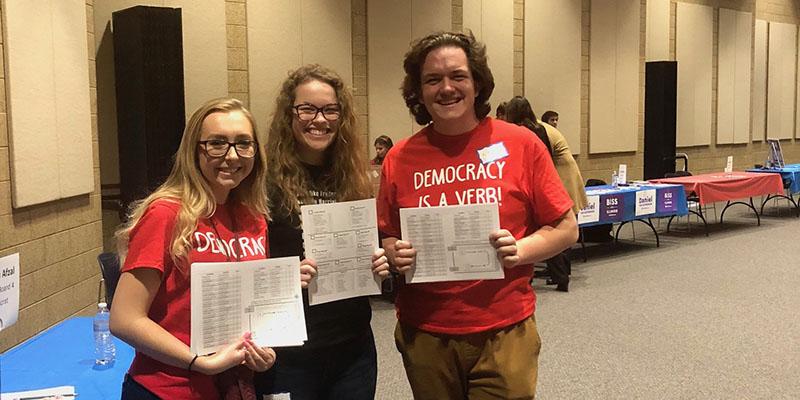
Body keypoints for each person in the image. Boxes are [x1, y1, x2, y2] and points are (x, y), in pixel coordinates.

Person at [377, 31, 578, 399]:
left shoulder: (520, 144)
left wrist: (521, 249)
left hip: (504, 330)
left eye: (458, 76)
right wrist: (393, 252)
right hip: (425, 332)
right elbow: (388, 233)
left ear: (477, 83)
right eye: (432, 79)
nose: (446, 88)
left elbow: (567, 228)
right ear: (418, 91)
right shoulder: (399, 158)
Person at [110, 98, 277, 399]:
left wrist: (262, 351)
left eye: (243, 143)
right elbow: (124, 319)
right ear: (194, 150)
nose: (232, 155)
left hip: (231, 388)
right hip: (166, 389)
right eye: (217, 144)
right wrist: (200, 362)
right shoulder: (166, 214)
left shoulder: (254, 218)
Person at [254, 64, 390, 400]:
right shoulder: (261, 181)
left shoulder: (353, 178)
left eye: (330, 110)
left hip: (352, 346)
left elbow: (370, 245)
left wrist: (379, 261)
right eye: (307, 109)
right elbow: (243, 259)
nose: (319, 119)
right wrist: (283, 275)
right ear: (289, 114)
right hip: (288, 353)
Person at [505, 96, 587, 292]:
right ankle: (560, 275)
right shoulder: (538, 127)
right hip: (555, 177)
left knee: (553, 229)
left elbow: (539, 161)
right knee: (553, 230)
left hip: (559, 179)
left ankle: (558, 276)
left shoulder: (526, 132)